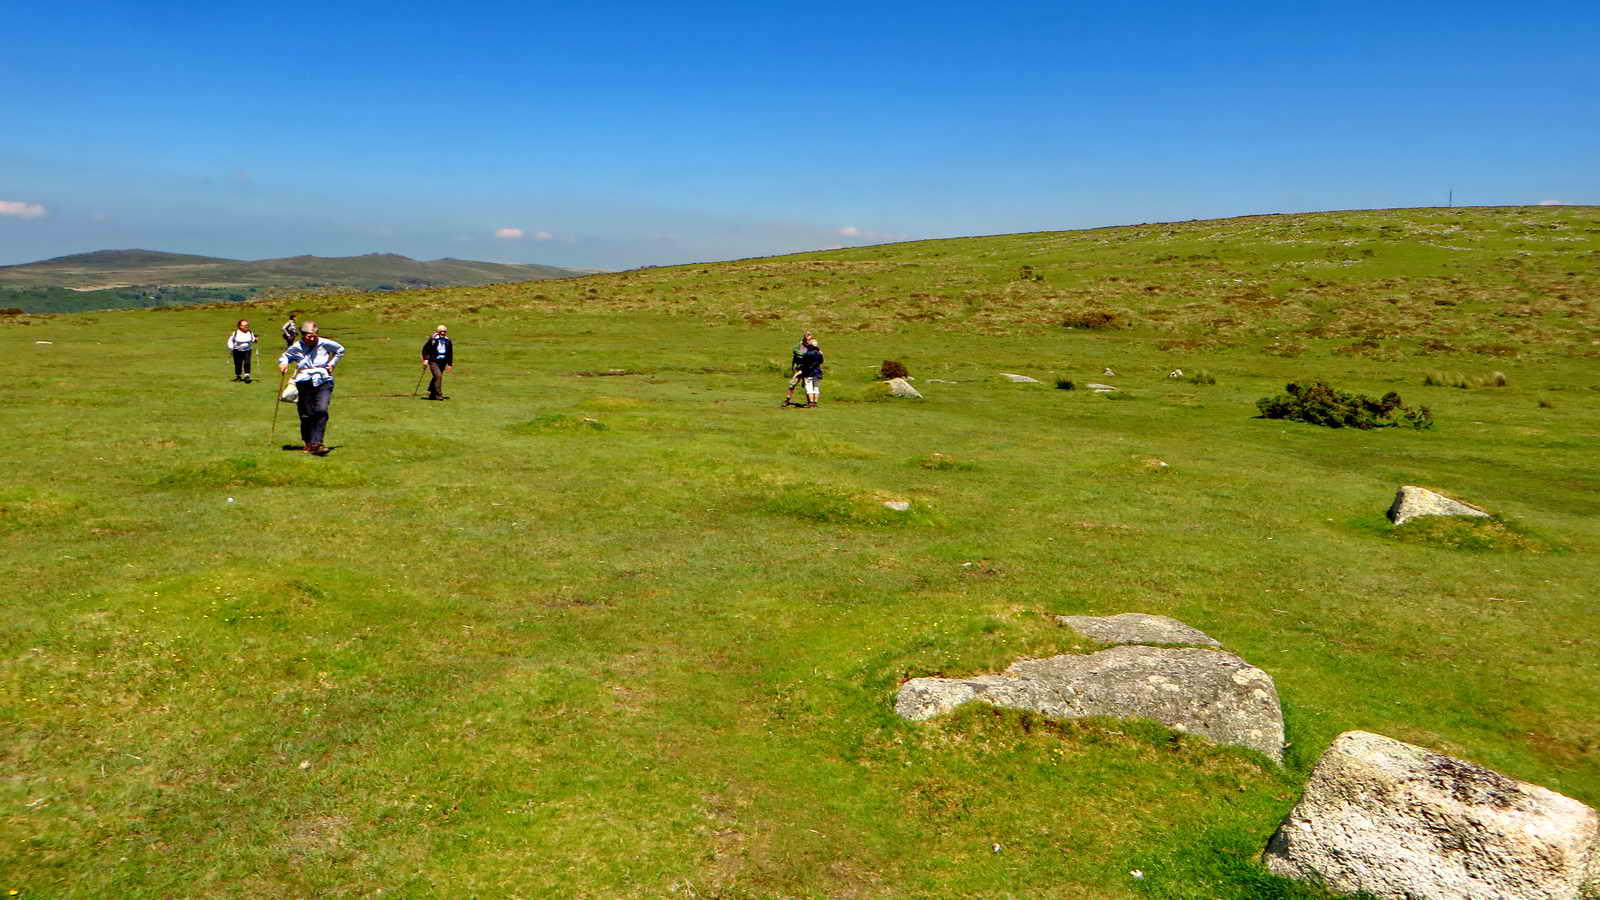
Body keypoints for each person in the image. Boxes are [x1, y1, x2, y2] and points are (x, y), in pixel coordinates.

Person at [278, 321, 345, 455]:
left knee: (321, 410)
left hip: (323, 380)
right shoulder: (296, 347)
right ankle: (308, 442)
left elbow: (340, 350)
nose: (312, 339)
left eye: (314, 336)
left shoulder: (325, 343)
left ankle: (317, 443)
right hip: (304, 381)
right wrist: (284, 364)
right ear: (303, 335)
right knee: (306, 414)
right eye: (309, 336)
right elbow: (285, 356)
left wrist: (332, 364)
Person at [420, 324, 454, 401]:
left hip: (443, 362)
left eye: (444, 331)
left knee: (436, 377)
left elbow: (450, 352)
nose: (443, 333)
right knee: (438, 376)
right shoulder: (433, 340)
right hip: (433, 361)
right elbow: (425, 349)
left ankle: (432, 394)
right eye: (441, 331)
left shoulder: (448, 340)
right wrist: (425, 359)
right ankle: (438, 395)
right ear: (438, 332)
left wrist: (450, 364)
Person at [782, 331, 813, 407]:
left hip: (807, 369)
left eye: (809, 339)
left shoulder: (812, 347)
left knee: (807, 386)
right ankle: (787, 400)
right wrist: (805, 355)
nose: (808, 341)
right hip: (799, 368)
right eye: (807, 339)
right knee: (792, 384)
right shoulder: (798, 346)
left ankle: (810, 402)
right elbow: (796, 351)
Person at [796, 337, 823, 408]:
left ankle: (810, 403)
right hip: (817, 373)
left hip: (808, 373)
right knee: (816, 388)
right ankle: (815, 403)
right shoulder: (819, 353)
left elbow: (803, 363)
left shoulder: (807, 354)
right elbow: (821, 362)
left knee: (809, 388)